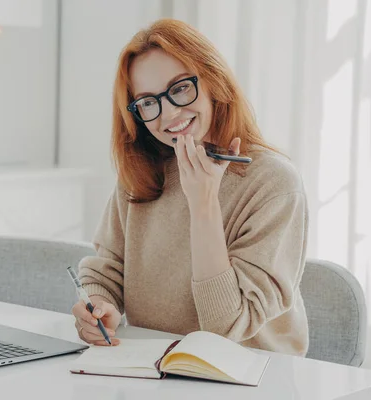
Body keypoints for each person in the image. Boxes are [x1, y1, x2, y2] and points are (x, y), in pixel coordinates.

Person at [71, 18, 309, 356]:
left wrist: (203, 204)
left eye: (181, 88)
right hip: (153, 367)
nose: (169, 113)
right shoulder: (143, 172)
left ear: (213, 81)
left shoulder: (274, 183)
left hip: (251, 376)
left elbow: (227, 327)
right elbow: (109, 268)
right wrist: (98, 303)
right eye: (148, 102)